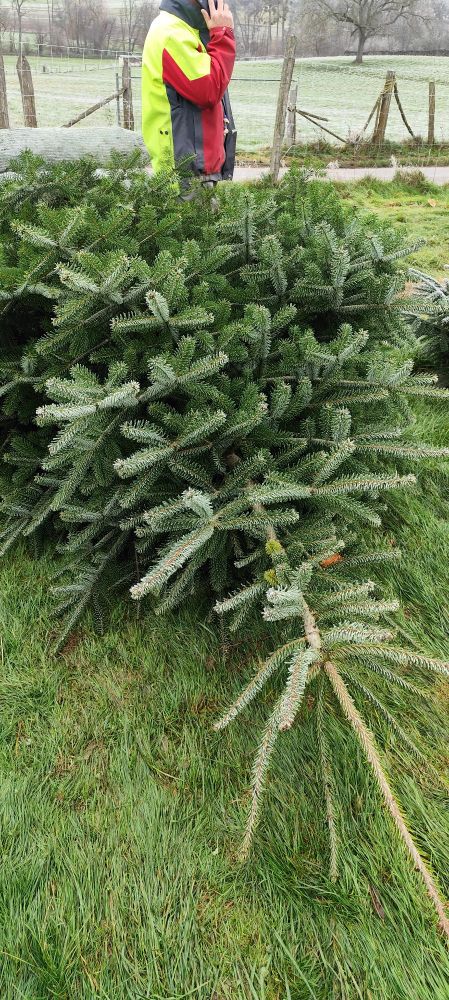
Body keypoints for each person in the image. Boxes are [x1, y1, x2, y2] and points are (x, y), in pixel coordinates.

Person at [141, 0, 237, 185]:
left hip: (198, 170)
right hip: (184, 174)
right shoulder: (171, 33)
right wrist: (222, 35)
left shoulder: (188, 29)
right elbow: (209, 89)